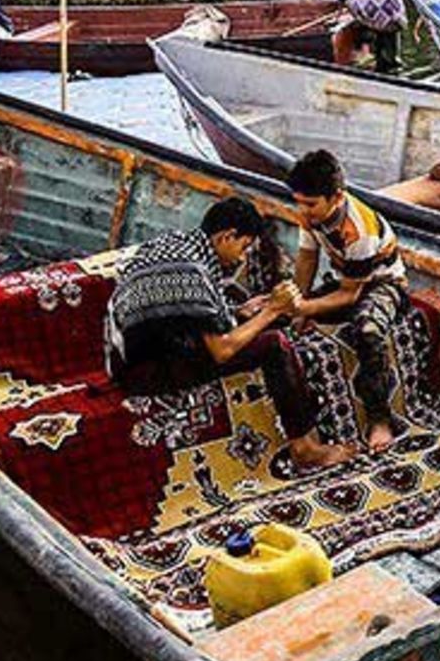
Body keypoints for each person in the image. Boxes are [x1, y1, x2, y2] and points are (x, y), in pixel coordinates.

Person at [107, 197, 354, 471]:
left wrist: (240, 311)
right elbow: (221, 351)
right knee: (276, 345)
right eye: (244, 246)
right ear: (227, 236)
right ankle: (304, 449)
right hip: (144, 372)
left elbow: (185, 315)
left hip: (130, 353)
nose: (244, 256)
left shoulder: (181, 245)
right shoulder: (194, 273)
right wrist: (270, 311)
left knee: (255, 316)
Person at [286, 150, 409, 453]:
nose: (303, 211)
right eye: (298, 202)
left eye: (310, 204)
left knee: (367, 330)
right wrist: (296, 303)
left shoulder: (359, 230)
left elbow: (350, 295)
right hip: (349, 281)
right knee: (281, 310)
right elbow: (306, 259)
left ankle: (379, 417)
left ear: (336, 197)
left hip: (383, 285)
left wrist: (303, 308)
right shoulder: (310, 215)